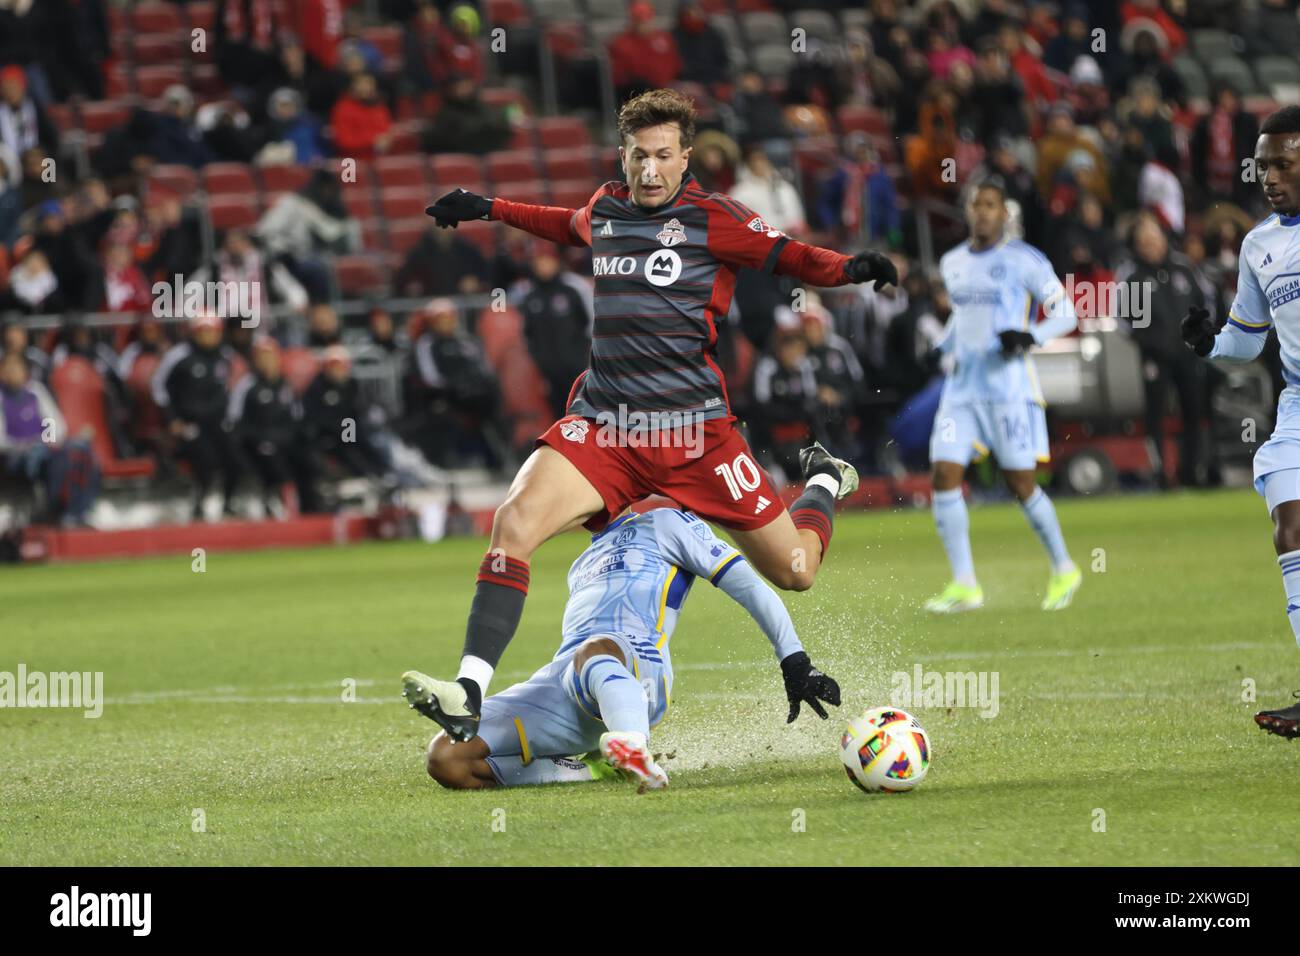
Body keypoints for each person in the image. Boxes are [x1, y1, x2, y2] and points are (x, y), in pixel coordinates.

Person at [409, 87, 896, 743]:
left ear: (685, 156)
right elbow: (563, 222)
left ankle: (824, 482)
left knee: (795, 573)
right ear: (624, 153)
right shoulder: (608, 208)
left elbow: (788, 254)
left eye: (663, 156)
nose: (649, 170)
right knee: (514, 521)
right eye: (638, 155)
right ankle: (467, 690)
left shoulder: (715, 217)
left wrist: (850, 268)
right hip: (608, 427)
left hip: (697, 439)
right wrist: (486, 208)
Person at [402, 506, 840, 789]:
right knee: (447, 759)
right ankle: (591, 766)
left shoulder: (670, 521)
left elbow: (751, 587)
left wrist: (794, 660)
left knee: (596, 648)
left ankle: (633, 744)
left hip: (637, 669)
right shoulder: (582, 562)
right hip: (568, 679)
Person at [1181, 105, 1300, 739]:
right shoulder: (1260, 245)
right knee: (1291, 529)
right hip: (1298, 409)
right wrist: (1208, 344)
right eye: (1262, 166)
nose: (1270, 177)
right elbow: (1247, 340)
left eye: (1284, 163)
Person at [924, 181, 1081, 614]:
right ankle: (964, 584)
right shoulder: (952, 262)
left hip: (1008, 390)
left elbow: (1066, 312)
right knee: (943, 474)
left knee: (1020, 484)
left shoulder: (1024, 260)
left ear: (1003, 213)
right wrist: (938, 349)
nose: (982, 212)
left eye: (990, 205)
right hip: (961, 390)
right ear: (968, 211)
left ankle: (1064, 566)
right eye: (976, 205)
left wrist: (1030, 335)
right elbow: (962, 319)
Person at [1113, 211, 1210, 487]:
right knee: (1155, 416)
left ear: (1163, 239)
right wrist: (1146, 342)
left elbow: (1206, 302)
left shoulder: (1183, 268)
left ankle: (1193, 472)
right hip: (1155, 358)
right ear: (1136, 244)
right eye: (1144, 240)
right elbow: (1122, 319)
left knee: (1194, 411)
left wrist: (1202, 333)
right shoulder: (1132, 276)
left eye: (1154, 238)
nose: (1150, 244)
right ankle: (1160, 474)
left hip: (1188, 353)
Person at [153, 314, 244, 520]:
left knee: (236, 458)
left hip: (218, 422)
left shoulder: (226, 356)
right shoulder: (179, 356)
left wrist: (231, 418)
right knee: (206, 459)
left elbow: (233, 389)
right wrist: (172, 419)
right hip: (189, 423)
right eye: (204, 331)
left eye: (212, 331)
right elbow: (159, 387)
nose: (208, 336)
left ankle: (228, 503)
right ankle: (199, 503)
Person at [0, 349, 100, 526]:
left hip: (44, 449)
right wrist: (27, 446)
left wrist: (45, 442)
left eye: (15, 367)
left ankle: (79, 511)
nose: (11, 372)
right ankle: (58, 511)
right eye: (6, 368)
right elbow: (2, 440)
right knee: (45, 458)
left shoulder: (36, 392)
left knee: (81, 450)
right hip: (15, 457)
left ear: (25, 371)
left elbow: (55, 424)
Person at [228, 337, 320, 517]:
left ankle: (311, 507)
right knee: (271, 458)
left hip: (285, 439)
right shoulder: (247, 385)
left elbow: (296, 417)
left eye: (270, 356)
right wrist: (256, 438)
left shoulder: (285, 385)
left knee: (307, 460)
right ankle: (282, 503)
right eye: (262, 357)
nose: (267, 362)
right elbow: (235, 420)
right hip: (258, 442)